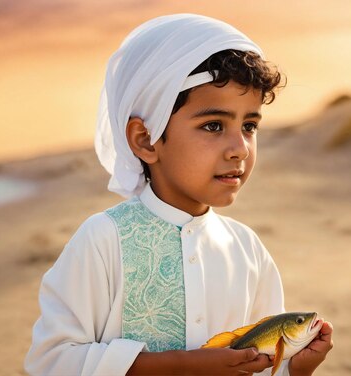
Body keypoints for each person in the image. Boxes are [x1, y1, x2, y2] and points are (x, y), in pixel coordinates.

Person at [25, 13, 333, 376]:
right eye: (213, 125)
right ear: (145, 140)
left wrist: (296, 368)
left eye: (249, 126)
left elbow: (262, 366)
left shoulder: (247, 250)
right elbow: (51, 361)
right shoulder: (103, 240)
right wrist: (178, 365)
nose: (240, 149)